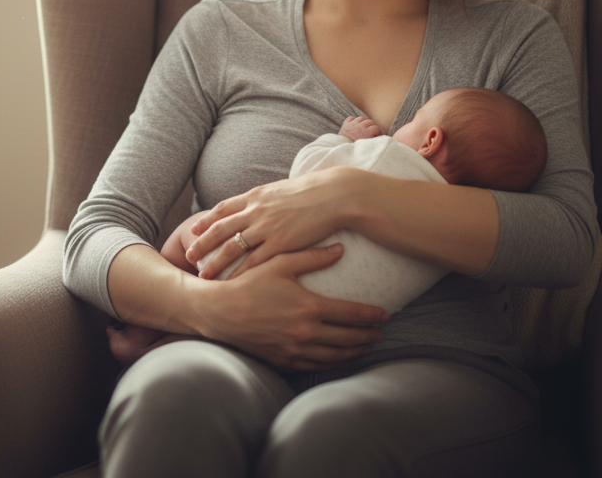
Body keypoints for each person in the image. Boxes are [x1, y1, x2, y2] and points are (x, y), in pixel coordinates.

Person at [62, 0, 599, 477]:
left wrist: (351, 194)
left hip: (437, 371)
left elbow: (567, 240)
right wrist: (206, 310)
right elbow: (94, 233)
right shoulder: (220, 32)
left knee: (328, 436)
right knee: (171, 398)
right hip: (228, 348)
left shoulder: (511, 40)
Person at [108, 87, 547, 362]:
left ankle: (143, 335)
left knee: (197, 229)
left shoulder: (385, 156)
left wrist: (344, 141)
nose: (402, 127)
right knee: (217, 349)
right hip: (328, 338)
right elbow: (105, 220)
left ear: (431, 141)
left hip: (251, 270)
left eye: (413, 121)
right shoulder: (453, 237)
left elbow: (307, 177)